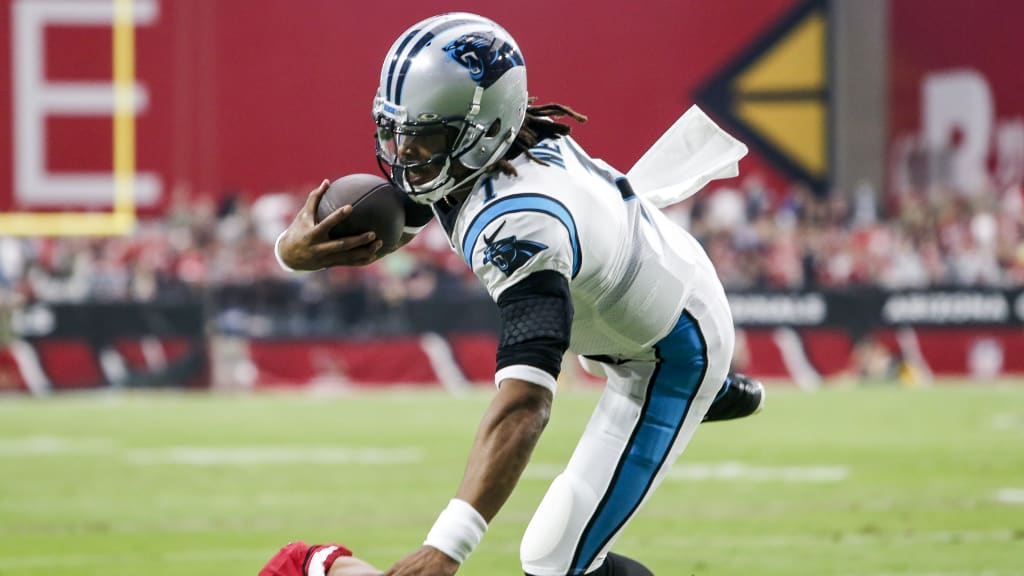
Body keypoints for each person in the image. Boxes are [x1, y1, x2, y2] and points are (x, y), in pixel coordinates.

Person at [275, 12, 764, 576]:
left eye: (423, 137)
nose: (403, 156)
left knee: (554, 560)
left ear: (481, 130)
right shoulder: (481, 152)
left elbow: (526, 404)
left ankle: (704, 386)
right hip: (628, 302)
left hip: (671, 351)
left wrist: (447, 546)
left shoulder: (523, 221)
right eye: (395, 132)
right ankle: (710, 393)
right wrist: (291, 252)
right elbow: (392, 223)